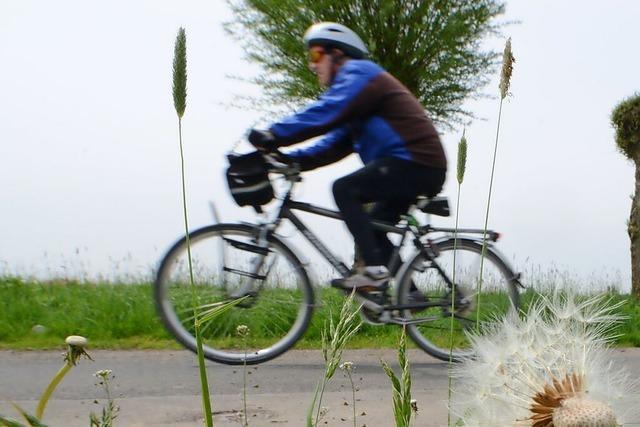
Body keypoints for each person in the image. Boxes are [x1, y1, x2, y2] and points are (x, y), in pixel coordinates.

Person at [248, 22, 447, 292]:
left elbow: (327, 111)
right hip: (412, 167)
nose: (312, 65)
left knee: (344, 188)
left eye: (316, 55)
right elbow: (333, 145)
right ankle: (409, 295)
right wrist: (291, 160)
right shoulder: (358, 100)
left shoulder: (360, 73)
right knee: (375, 228)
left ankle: (374, 272)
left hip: (414, 163)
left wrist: (273, 134)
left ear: (338, 54)